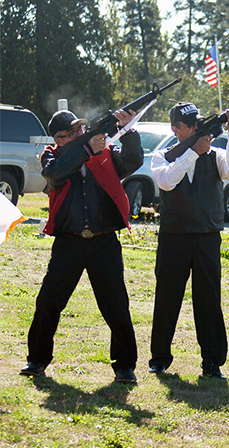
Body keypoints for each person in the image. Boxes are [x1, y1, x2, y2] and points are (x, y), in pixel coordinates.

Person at [21, 108, 142, 383]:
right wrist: (86, 149)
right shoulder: (53, 155)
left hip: (104, 241)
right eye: (73, 133)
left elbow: (132, 162)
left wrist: (129, 131)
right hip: (69, 242)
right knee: (49, 302)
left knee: (116, 304)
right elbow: (55, 174)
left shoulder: (105, 151)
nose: (80, 134)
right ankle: (37, 360)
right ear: (60, 139)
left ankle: (125, 365)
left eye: (80, 130)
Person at [148, 102, 229, 380]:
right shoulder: (163, 156)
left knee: (209, 299)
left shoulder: (215, 155)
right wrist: (192, 152)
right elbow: (167, 181)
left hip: (206, 236)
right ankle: (159, 358)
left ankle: (212, 362)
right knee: (167, 298)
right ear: (175, 130)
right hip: (174, 236)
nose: (195, 129)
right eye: (189, 125)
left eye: (196, 124)